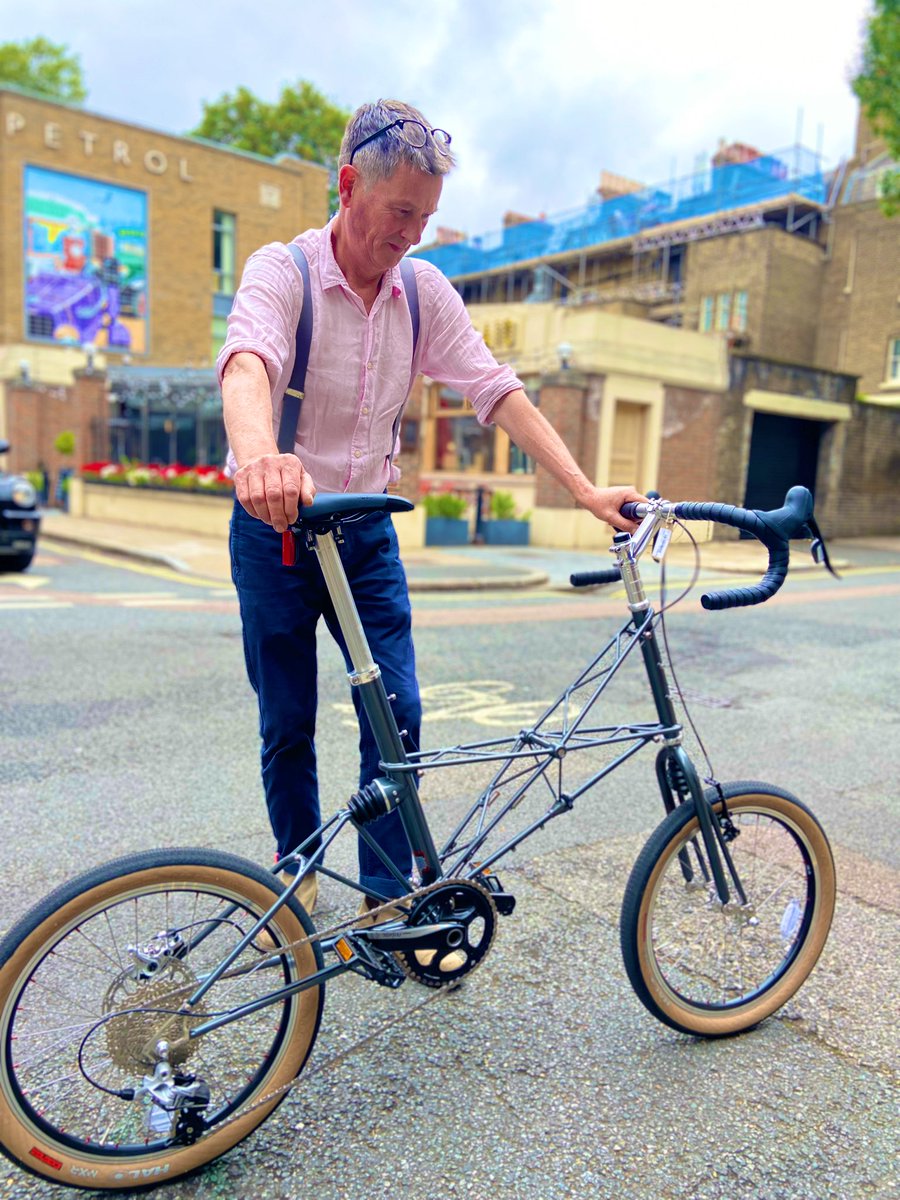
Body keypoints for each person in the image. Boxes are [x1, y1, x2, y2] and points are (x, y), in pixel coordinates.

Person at [218, 99, 646, 920]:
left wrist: (587, 489)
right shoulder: (286, 270)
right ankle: (299, 873)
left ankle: (382, 900)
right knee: (288, 719)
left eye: (427, 216)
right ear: (349, 185)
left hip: (365, 531)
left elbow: (497, 391)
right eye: (400, 211)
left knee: (398, 710)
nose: (412, 232)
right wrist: (261, 456)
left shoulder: (422, 290)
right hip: (274, 525)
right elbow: (247, 362)